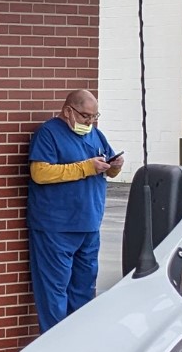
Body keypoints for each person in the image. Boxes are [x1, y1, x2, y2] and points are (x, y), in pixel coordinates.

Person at [27, 89, 122, 332]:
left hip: (89, 224)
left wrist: (114, 167)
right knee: (54, 290)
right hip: (56, 226)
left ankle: (78, 339)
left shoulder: (96, 135)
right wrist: (86, 167)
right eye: (85, 116)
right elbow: (40, 173)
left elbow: (106, 168)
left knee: (84, 287)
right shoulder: (48, 133)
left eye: (94, 116)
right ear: (68, 110)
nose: (90, 122)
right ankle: (53, 344)